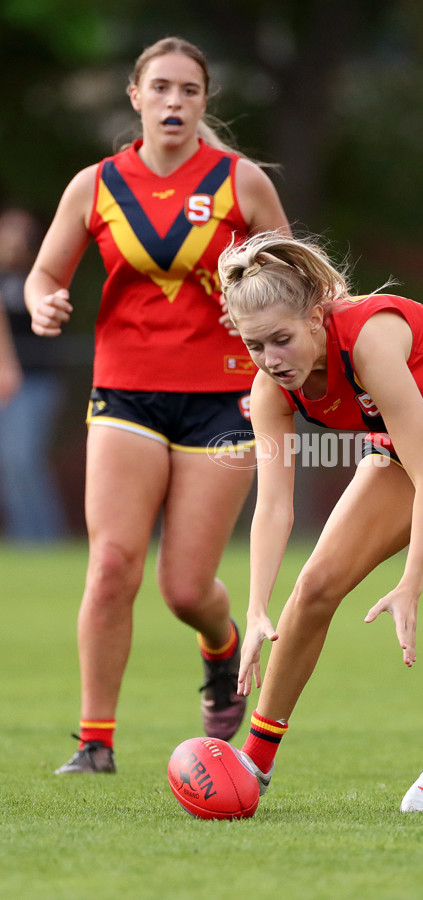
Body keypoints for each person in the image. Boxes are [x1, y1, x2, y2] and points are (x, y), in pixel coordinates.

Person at [24, 37, 290, 775]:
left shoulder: (243, 184)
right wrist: (44, 300)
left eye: (191, 91)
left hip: (225, 402)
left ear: (205, 104)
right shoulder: (97, 185)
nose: (175, 102)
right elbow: (44, 272)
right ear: (136, 98)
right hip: (126, 394)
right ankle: (95, 740)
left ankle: (220, 642)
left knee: (183, 589)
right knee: (111, 565)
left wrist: (278, 344)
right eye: (162, 89)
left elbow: (292, 286)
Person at [214, 231, 423, 813]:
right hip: (404, 455)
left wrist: (410, 583)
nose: (271, 360)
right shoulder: (270, 388)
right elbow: (273, 506)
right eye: (255, 345)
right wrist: (257, 607)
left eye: (282, 340)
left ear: (316, 319)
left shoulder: (369, 341)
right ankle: (255, 760)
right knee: (313, 587)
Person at [0, 208, 67, 542]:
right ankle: (25, 539)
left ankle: (43, 538)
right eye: (7, 232)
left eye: (19, 233)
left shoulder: (38, 279)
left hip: (36, 382)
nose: (12, 241)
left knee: (25, 461)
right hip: (6, 386)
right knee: (8, 467)